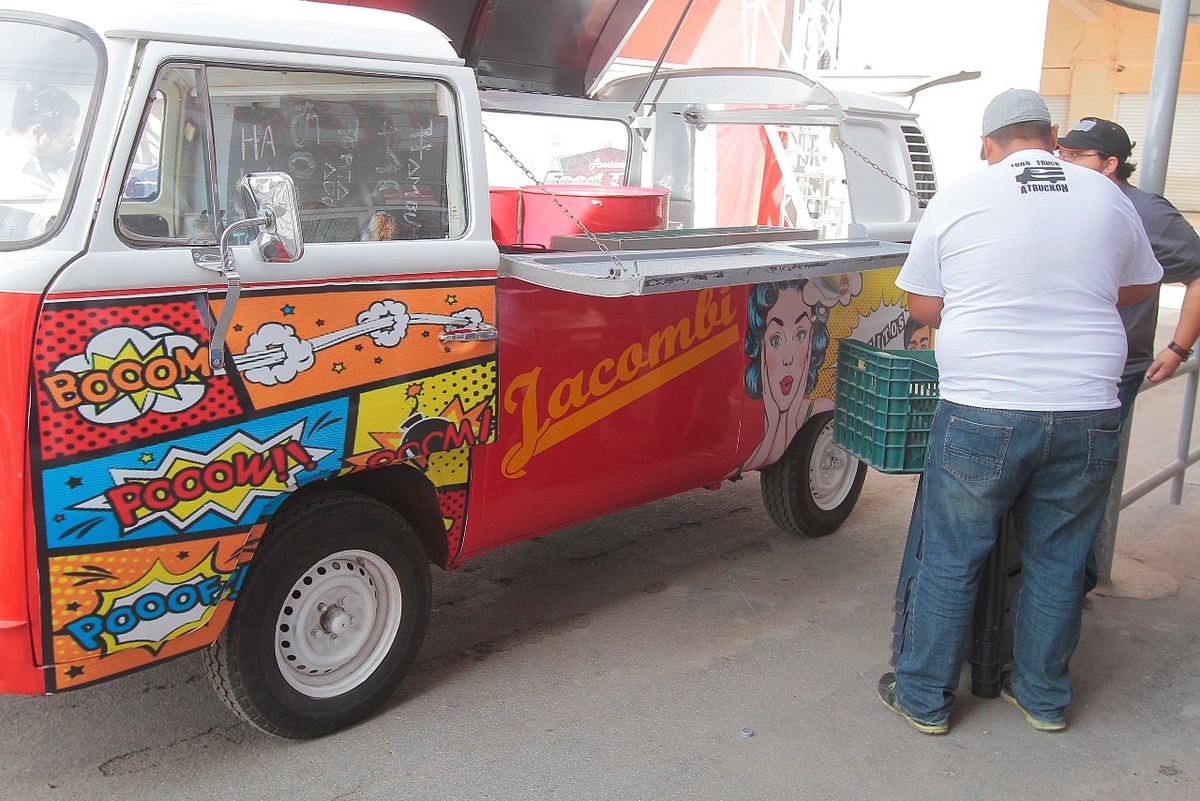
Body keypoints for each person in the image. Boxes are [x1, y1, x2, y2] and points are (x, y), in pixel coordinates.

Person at [878, 89, 1162, 735]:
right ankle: (1042, 697)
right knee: (1059, 558)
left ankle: (923, 697)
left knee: (952, 554)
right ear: (1050, 134)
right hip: (1089, 404)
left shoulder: (961, 195)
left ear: (988, 144)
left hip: (984, 405)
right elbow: (1145, 280)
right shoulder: (1104, 194)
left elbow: (923, 306)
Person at [1057, 117, 1200, 594]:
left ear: (1111, 164)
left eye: (1077, 157)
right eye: (1063, 154)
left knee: (1081, 488)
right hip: (1056, 365)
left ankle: (1075, 585)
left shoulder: (1146, 211)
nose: (1065, 163)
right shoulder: (1057, 198)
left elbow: (1198, 273)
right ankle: (1058, 584)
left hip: (1111, 376)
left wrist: (1178, 347)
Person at [741, 279, 832, 471]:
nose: (788, 359)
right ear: (760, 346)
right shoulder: (753, 445)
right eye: (775, 339)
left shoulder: (822, 408)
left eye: (800, 335)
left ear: (811, 340)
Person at [0, 82, 80, 239]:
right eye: (66, 136)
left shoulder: (55, 160)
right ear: (38, 132)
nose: (71, 143)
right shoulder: (7, 174)